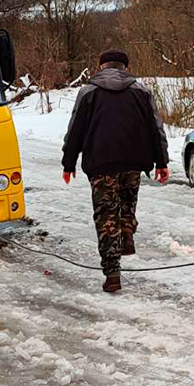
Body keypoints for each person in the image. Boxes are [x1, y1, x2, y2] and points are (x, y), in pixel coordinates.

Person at [61, 49, 170, 294]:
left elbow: (76, 129)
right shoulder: (141, 91)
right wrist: (162, 161)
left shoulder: (88, 92)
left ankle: (112, 273)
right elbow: (156, 128)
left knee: (106, 216)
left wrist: (68, 163)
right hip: (134, 161)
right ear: (125, 67)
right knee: (127, 202)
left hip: (101, 165)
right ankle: (127, 229)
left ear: (101, 67)